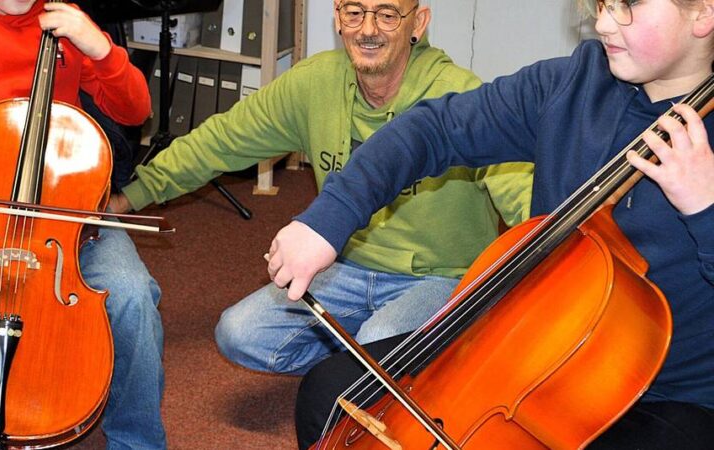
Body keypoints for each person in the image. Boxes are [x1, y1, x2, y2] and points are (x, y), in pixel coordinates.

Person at [270, 0, 714, 448]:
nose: (601, 22)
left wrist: (706, 206)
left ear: (704, 13)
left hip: (667, 395)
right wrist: (328, 219)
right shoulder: (574, 82)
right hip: (523, 334)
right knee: (329, 395)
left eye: (626, 5)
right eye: (600, 4)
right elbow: (434, 129)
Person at [109, 0, 532, 378]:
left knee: (380, 341)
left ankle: (397, 353)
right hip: (343, 264)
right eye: (354, 11)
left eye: (387, 14)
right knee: (239, 333)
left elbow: (522, 190)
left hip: (439, 277)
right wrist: (132, 195)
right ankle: (376, 364)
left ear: (417, 22)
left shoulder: (460, 94)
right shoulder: (314, 83)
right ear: (337, 17)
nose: (368, 29)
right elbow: (220, 142)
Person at [0, 1, 165, 449]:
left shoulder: (66, 25)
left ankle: (138, 440)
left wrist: (100, 48)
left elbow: (135, 111)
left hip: (65, 204)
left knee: (132, 294)